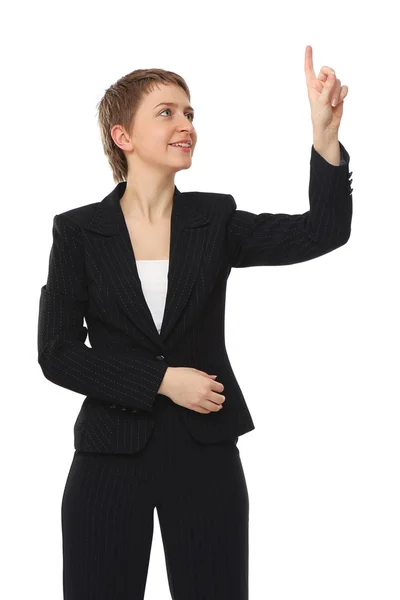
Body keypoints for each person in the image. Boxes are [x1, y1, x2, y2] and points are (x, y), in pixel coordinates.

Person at [38, 56, 352, 600]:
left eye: (189, 112)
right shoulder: (79, 232)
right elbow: (58, 352)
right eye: (166, 112)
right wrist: (161, 380)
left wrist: (325, 137)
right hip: (110, 454)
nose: (186, 124)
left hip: (205, 452)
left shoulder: (215, 220)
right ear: (123, 135)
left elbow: (322, 232)